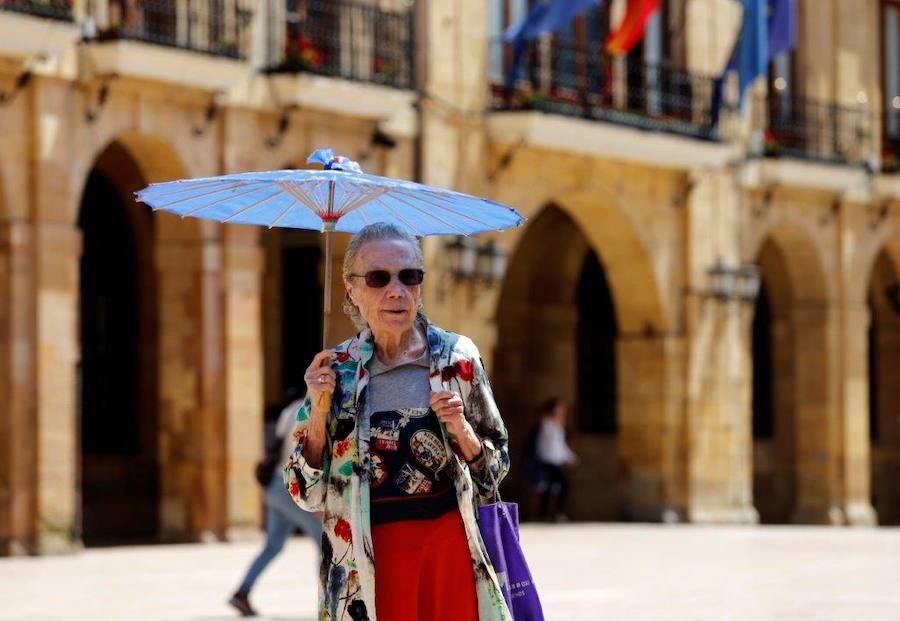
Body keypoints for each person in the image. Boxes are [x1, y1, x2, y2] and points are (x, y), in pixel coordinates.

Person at [284, 222, 512, 621]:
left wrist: (461, 431)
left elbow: (496, 471)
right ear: (351, 290)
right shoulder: (335, 371)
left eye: (409, 276)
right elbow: (305, 493)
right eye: (378, 278)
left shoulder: (457, 359)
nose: (397, 290)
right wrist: (318, 414)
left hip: (449, 553)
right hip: (364, 562)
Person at [229, 395, 323, 617]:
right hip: (293, 489)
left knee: (272, 546)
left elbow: (277, 445)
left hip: (274, 487)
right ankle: (328, 600)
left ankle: (242, 593)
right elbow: (301, 455)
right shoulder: (312, 410)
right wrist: (317, 499)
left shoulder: (289, 410)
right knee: (325, 542)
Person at [535, 397, 577, 522]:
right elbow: (553, 445)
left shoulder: (556, 425)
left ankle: (547, 513)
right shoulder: (547, 423)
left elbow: (560, 445)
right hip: (547, 460)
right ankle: (554, 513)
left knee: (551, 487)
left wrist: (570, 457)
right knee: (559, 485)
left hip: (553, 462)